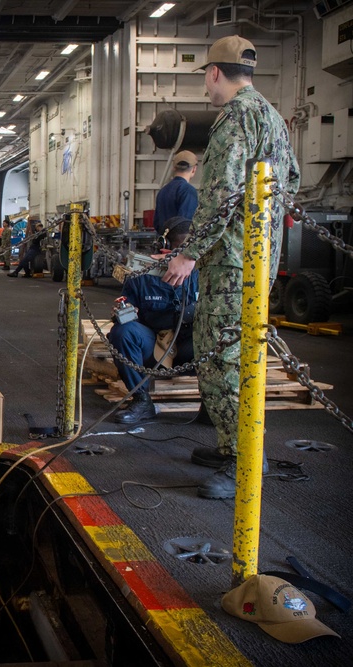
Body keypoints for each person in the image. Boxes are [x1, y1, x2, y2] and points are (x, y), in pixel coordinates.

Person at [161, 35, 300, 499]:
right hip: (258, 261)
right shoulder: (273, 118)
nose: (205, 86)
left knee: (220, 359)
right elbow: (292, 180)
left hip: (232, 265)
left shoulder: (235, 118)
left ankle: (244, 463)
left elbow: (219, 194)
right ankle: (231, 446)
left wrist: (189, 253)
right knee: (242, 357)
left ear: (216, 72)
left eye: (205, 75)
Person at [108, 218, 198, 424]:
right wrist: (124, 311)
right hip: (151, 349)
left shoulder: (205, 273)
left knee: (220, 331)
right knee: (123, 331)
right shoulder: (142, 273)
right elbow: (127, 311)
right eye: (177, 250)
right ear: (164, 246)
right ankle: (141, 400)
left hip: (190, 351)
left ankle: (211, 407)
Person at [153, 150, 198, 238]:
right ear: (194, 169)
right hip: (179, 245)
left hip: (164, 244)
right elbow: (185, 224)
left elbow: (156, 223)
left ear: (174, 167)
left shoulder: (163, 190)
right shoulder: (188, 190)